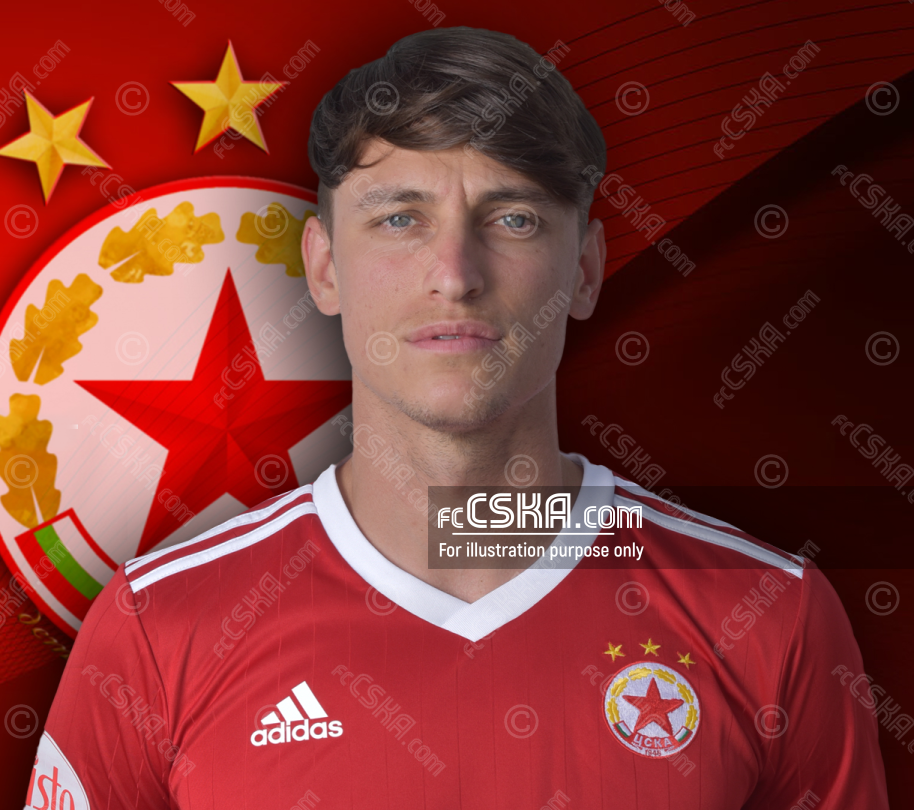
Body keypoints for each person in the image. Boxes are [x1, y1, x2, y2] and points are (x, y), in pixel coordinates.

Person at [29, 26, 888, 809]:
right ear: (323, 268)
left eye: (512, 218)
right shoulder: (159, 627)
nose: (454, 273)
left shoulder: (766, 613)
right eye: (401, 218)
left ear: (585, 271)